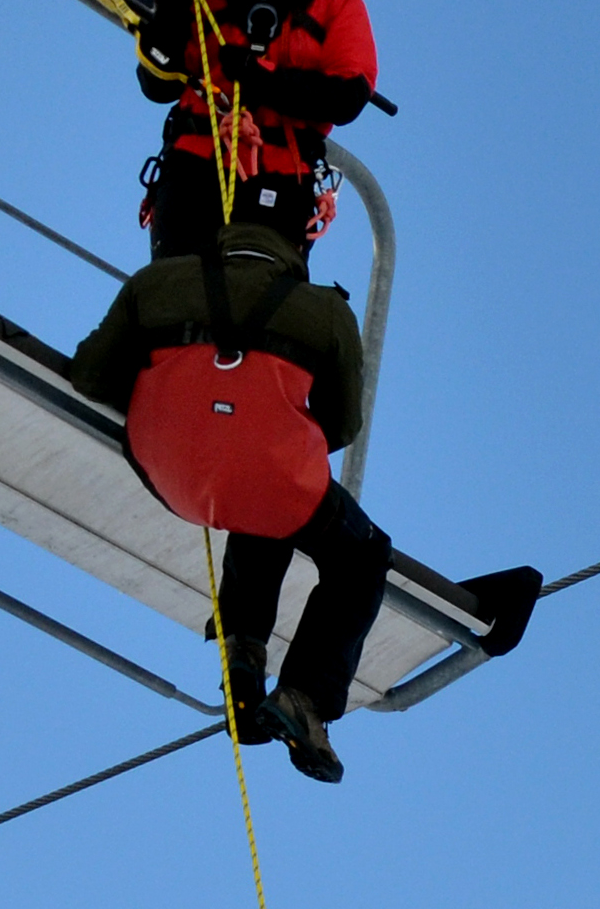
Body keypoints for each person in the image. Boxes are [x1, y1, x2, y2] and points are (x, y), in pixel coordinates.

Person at [68, 222, 391, 783]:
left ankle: (243, 645)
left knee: (262, 500)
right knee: (359, 555)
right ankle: (304, 699)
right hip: (270, 477)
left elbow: (91, 376)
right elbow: (342, 425)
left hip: (167, 471)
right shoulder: (326, 311)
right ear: (293, 261)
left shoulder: (155, 282)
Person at [134, 0, 377, 259]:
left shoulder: (336, 4)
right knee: (170, 301)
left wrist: (263, 81)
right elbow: (157, 84)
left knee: (248, 310)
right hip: (190, 178)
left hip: (277, 190)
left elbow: (347, 96)